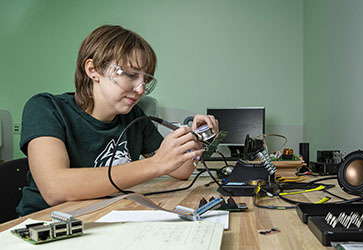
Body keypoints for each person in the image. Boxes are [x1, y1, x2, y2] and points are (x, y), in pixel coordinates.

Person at [16, 25, 218, 216]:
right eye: (130, 75)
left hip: (104, 216)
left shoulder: (135, 117)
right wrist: (156, 164)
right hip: (45, 225)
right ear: (93, 69)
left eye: (145, 80)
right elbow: (55, 189)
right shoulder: (46, 108)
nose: (140, 89)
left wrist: (195, 138)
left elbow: (181, 171)